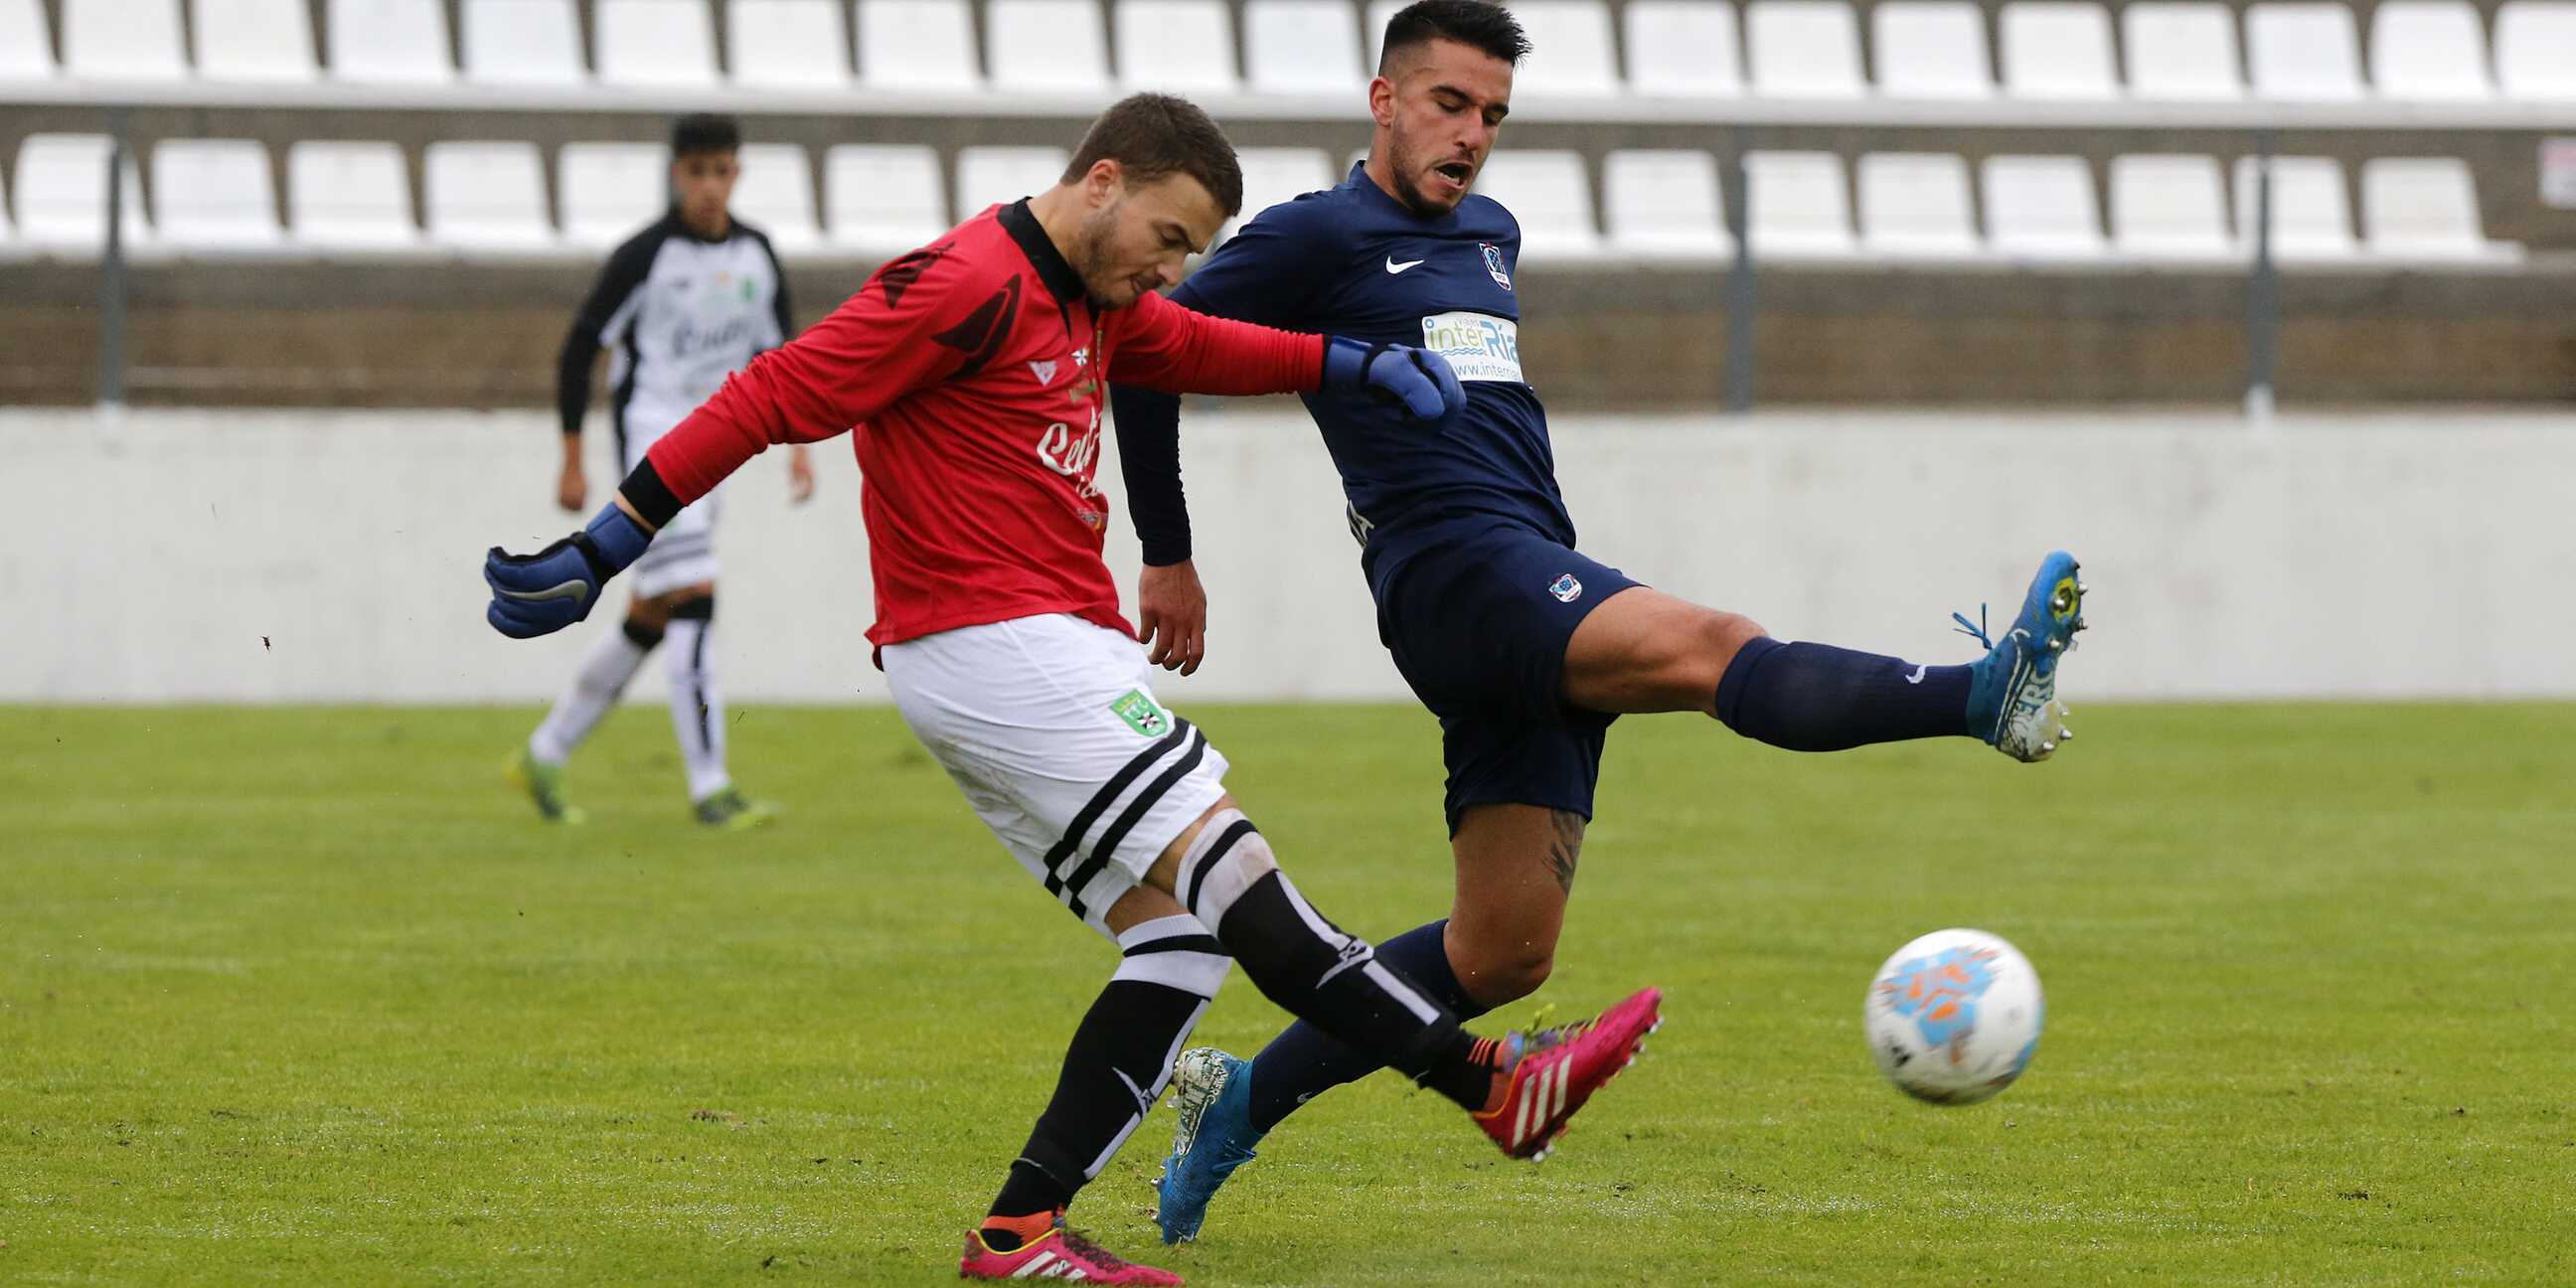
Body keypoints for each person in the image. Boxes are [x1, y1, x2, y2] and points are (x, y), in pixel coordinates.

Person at [480, 92, 1663, 1285]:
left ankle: (1019, 1232)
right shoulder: (962, 284)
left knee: (1181, 944)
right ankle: (1488, 1083)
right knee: (1236, 875)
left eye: (1193, 249)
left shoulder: (1096, 298)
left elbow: (1196, 345)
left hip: (1037, 649)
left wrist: (1350, 361)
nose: (1172, 267)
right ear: (1103, 182)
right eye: (1168, 236)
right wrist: (606, 545)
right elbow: (768, 394)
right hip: (994, 645)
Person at [1108, 0, 2090, 1244]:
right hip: (1453, 570)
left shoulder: (1492, 234)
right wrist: (1168, 555)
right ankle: (1977, 696)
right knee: (1712, 647)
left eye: (1494, 114)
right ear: (1384, 100)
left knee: (1500, 954)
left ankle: (1239, 1102)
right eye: (1450, 103)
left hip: (1527, 565)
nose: (1472, 134)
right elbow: (1143, 352)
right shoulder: (1315, 234)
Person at [512, 112, 813, 830]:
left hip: (719, 448)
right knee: (696, 594)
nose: (709, 186)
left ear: (736, 174)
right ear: (677, 175)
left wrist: (800, 446)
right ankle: (711, 786)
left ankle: (545, 752)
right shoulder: (644, 256)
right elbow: (579, 348)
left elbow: (784, 359)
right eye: (696, 172)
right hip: (655, 450)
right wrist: (573, 456)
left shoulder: (757, 255)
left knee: (651, 614)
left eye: (721, 171)